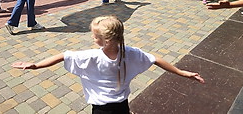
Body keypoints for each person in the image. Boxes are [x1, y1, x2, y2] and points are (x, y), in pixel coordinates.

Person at [12, 16, 204, 114]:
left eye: (94, 36)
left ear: (105, 40)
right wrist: (182, 72)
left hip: (101, 110)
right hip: (122, 106)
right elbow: (156, 59)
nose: (92, 38)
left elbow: (63, 56)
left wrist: (35, 65)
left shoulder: (90, 57)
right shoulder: (130, 53)